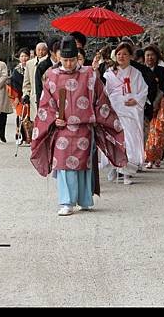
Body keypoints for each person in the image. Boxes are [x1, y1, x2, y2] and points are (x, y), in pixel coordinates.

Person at [30, 35, 128, 216]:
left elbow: (101, 99)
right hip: (62, 128)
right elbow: (45, 104)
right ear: (59, 58)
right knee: (64, 165)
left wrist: (102, 118)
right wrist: (53, 119)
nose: (68, 64)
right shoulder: (52, 75)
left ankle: (84, 199)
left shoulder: (89, 74)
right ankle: (66, 202)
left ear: (78, 58)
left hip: (85, 127)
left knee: (84, 165)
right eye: (65, 60)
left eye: (72, 60)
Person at [102, 42, 148, 184]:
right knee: (114, 140)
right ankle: (113, 168)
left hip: (130, 111)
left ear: (130, 56)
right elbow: (105, 92)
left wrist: (136, 100)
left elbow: (143, 90)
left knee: (129, 141)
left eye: (125, 54)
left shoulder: (136, 73)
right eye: (119, 54)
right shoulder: (109, 73)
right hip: (115, 110)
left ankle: (127, 173)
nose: (121, 57)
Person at [143, 44, 164, 168]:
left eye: (152, 55)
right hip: (145, 104)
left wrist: (156, 101)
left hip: (159, 104)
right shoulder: (141, 70)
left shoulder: (161, 70)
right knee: (148, 132)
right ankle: (149, 158)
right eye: (147, 55)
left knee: (158, 132)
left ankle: (158, 157)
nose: (150, 58)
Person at [7, 48, 32, 145]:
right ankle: (20, 135)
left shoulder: (31, 68)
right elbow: (13, 84)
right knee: (20, 115)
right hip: (19, 96)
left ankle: (30, 137)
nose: (24, 58)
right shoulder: (16, 70)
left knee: (30, 116)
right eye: (22, 56)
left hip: (29, 95)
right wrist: (16, 97)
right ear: (19, 58)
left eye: (26, 56)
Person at [22, 42, 48, 121]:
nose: (40, 52)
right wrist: (26, 94)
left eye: (43, 50)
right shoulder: (29, 64)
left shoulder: (49, 63)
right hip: (34, 97)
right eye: (38, 50)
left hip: (46, 95)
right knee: (35, 122)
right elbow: (26, 83)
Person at [35, 38, 61, 108]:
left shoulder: (65, 65)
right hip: (48, 103)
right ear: (51, 52)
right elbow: (39, 88)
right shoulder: (42, 66)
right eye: (58, 51)